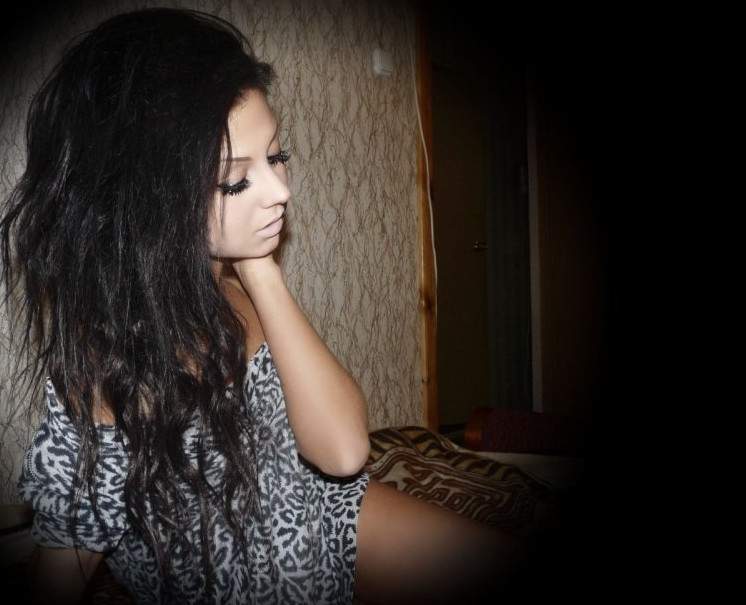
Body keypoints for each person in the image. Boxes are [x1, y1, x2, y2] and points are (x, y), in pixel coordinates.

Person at [0, 7, 527, 605]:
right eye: (235, 179)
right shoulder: (108, 361)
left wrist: (260, 271)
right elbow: (63, 560)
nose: (281, 190)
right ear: (146, 200)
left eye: (277, 157)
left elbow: (344, 451)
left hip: (325, 514)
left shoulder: (238, 289)